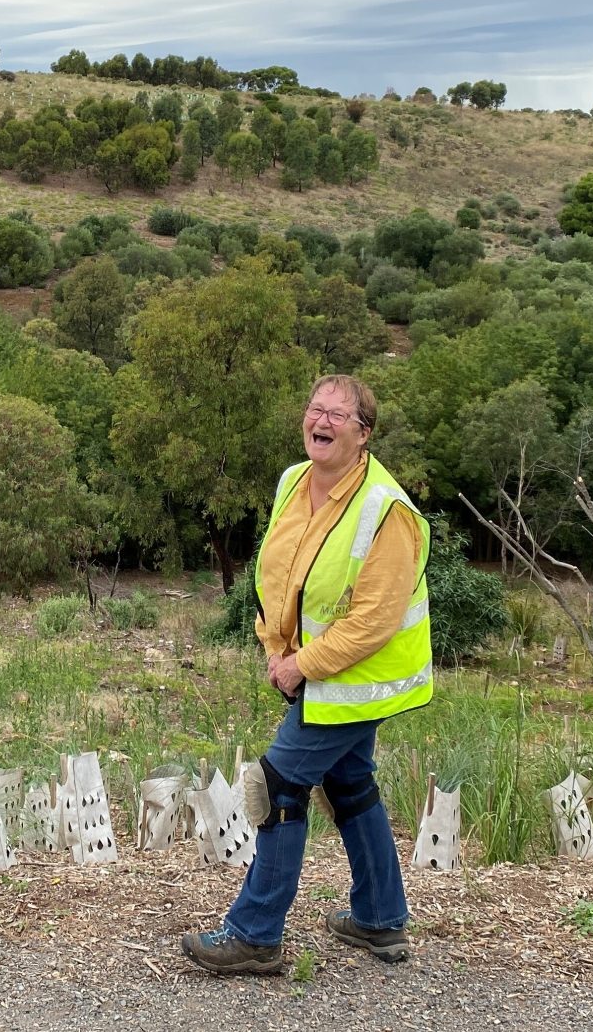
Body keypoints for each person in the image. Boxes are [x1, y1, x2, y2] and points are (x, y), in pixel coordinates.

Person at [181, 373, 432, 975]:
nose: (321, 421)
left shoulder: (387, 510)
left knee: (278, 784)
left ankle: (256, 934)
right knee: (350, 786)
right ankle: (380, 921)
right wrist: (276, 647)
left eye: (337, 415)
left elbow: (374, 622)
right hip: (315, 671)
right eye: (315, 409)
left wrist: (300, 666)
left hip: (361, 677)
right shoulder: (294, 481)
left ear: (363, 434)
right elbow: (280, 575)